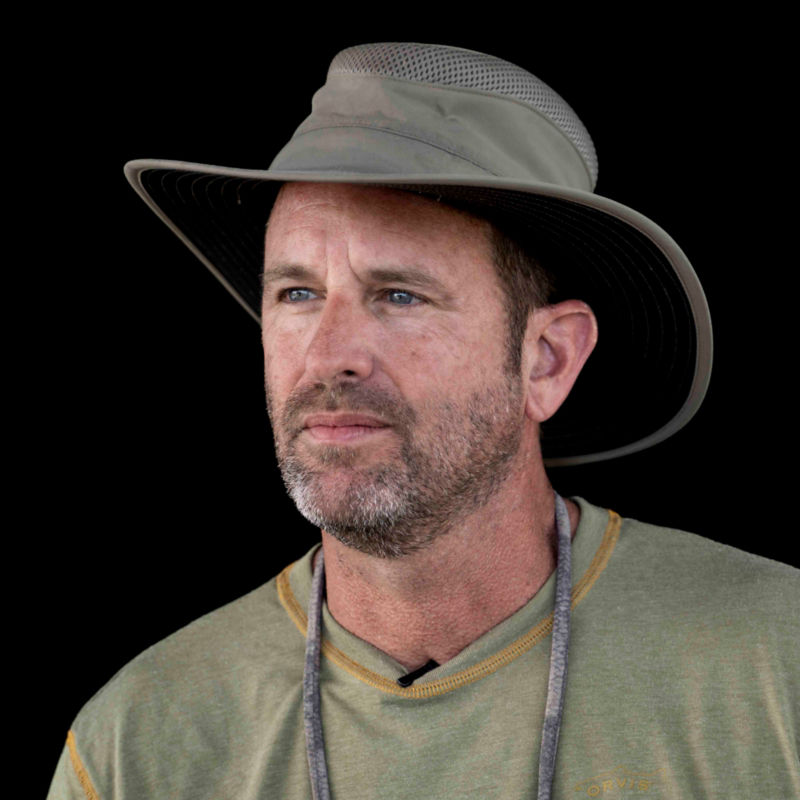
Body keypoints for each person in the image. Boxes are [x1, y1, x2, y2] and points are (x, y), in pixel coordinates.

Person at [47, 42, 798, 799]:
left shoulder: (779, 665)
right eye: (298, 295)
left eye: (399, 296)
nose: (328, 356)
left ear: (547, 360)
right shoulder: (139, 746)